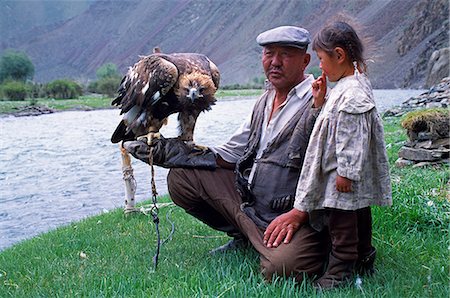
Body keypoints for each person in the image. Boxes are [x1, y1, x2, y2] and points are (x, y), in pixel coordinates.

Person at [124, 25, 329, 283]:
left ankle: (277, 243)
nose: (275, 62)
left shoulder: (320, 103)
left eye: (285, 54)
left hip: (294, 212)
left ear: (305, 60)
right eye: (269, 54)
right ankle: (246, 236)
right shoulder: (264, 101)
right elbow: (232, 153)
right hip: (255, 201)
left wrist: (299, 214)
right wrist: (178, 154)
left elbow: (331, 175)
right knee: (183, 178)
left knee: (282, 270)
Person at [274, 21, 392, 289]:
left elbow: (351, 136)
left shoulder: (352, 94)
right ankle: (363, 257)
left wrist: (346, 173)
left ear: (339, 55)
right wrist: (320, 102)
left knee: (341, 221)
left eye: (321, 59)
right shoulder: (351, 86)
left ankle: (340, 271)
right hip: (343, 173)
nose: (320, 67)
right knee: (358, 213)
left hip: (340, 175)